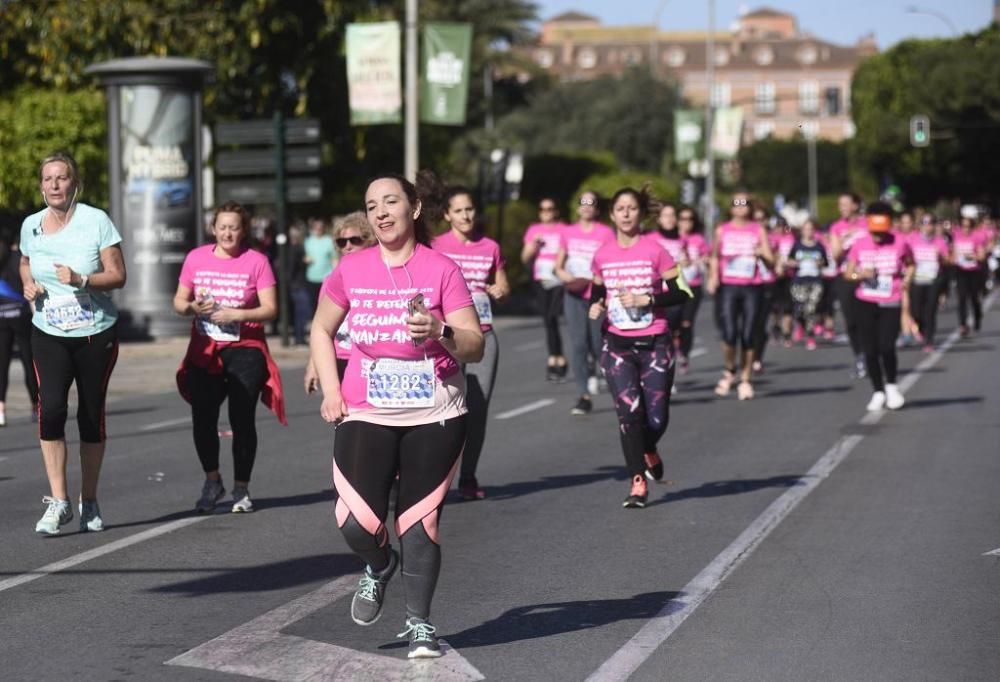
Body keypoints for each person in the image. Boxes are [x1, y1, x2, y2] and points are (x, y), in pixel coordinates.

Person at [309, 172, 484, 659]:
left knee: (419, 523)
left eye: (391, 202)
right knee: (354, 521)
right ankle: (380, 565)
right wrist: (330, 390)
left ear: (414, 209)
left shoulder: (442, 269)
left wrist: (440, 328)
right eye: (372, 205)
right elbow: (321, 330)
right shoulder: (351, 269)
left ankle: (420, 623)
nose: (381, 212)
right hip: (366, 408)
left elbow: (475, 346)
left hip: (436, 411)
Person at [19, 151, 126, 534]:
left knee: (90, 414)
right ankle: (60, 501)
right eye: (48, 179)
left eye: (61, 178)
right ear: (41, 185)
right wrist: (27, 283)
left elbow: (117, 275)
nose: (54, 185)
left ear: (74, 183)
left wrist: (82, 279)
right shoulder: (31, 225)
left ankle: (90, 499)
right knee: (50, 410)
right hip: (48, 331)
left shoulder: (96, 221)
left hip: (95, 333)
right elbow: (26, 263)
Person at [173, 201, 286, 514]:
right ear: (213, 229)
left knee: (242, 419)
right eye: (222, 226)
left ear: (243, 230)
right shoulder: (196, 258)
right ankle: (213, 480)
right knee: (203, 419)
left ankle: (241, 488)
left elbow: (270, 309)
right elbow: (179, 303)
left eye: (233, 227)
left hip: (245, 350)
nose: (227, 232)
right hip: (205, 349)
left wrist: (236, 313)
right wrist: (193, 307)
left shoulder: (257, 262)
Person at [587, 186, 691, 507]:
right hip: (617, 343)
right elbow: (597, 291)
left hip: (655, 341)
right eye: (620, 209)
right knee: (629, 414)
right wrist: (596, 306)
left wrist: (648, 299)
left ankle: (648, 448)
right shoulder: (602, 254)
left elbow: (683, 291)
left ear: (641, 213)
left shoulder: (655, 250)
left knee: (656, 418)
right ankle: (637, 482)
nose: (626, 213)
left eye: (632, 208)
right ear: (612, 214)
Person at [432, 187, 509, 501]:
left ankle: (468, 476)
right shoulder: (436, 246)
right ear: (447, 215)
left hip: (483, 336)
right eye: (459, 210)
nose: (466, 216)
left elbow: (502, 281)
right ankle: (432, 478)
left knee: (476, 409)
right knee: (439, 409)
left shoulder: (489, 247)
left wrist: (500, 289)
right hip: (445, 338)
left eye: (470, 210)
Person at [844, 202, 914, 412]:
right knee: (870, 350)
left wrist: (907, 280)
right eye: (874, 233)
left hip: (890, 300)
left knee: (886, 346)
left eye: (881, 233)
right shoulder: (860, 244)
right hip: (865, 301)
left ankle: (891, 385)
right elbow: (848, 273)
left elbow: (910, 264)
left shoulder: (900, 242)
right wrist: (860, 274)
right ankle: (878, 391)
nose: (877, 237)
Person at [706, 192, 774, 401]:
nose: (740, 207)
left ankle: (745, 379)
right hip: (729, 286)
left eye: (744, 204)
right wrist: (712, 277)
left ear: (750, 208)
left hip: (752, 287)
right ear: (731, 208)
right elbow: (715, 256)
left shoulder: (758, 229)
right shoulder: (722, 230)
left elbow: (770, 260)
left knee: (748, 332)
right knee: (728, 332)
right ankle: (730, 368)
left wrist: (761, 253)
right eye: (736, 204)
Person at [554, 191, 614, 414]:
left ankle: (619, 388)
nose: (587, 207)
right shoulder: (567, 232)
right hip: (574, 295)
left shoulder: (606, 233)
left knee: (598, 345)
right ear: (578, 207)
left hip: (597, 295)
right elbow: (558, 264)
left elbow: (611, 261)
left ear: (597, 209)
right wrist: (564, 276)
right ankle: (583, 395)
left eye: (592, 203)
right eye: (583, 203)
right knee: (578, 345)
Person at [305, 212, 378, 393]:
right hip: (338, 358)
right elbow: (320, 326)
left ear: (369, 240)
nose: (348, 246)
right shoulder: (330, 280)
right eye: (341, 242)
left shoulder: (381, 277)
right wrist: (313, 365)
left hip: (370, 359)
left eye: (355, 240)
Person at [521, 198, 567, 381]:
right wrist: (533, 246)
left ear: (556, 211)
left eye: (550, 208)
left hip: (559, 280)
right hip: (541, 279)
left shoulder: (564, 230)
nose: (546, 212)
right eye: (542, 209)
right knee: (548, 320)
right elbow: (524, 258)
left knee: (553, 317)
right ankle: (555, 357)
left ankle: (557, 357)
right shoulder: (534, 230)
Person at [0, 234, 38, 427]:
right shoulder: (18, 259)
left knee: (2, 364)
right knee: (28, 361)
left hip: (1, 318)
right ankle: (34, 407)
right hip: (22, 316)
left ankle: (1, 410)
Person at [830, 193, 869, 378]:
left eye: (845, 204)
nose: (842, 207)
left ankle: (871, 354)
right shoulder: (837, 227)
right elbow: (835, 255)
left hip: (866, 276)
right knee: (851, 320)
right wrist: (846, 240)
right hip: (845, 277)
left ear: (856, 205)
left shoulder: (867, 224)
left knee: (868, 318)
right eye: (840, 204)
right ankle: (860, 356)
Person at [782, 218, 828, 351]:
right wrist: (792, 263)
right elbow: (789, 260)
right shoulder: (796, 245)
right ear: (802, 231)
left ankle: (810, 336)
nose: (809, 232)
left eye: (811, 229)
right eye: (806, 229)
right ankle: (801, 324)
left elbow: (826, 263)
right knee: (800, 308)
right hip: (799, 281)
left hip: (815, 281)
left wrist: (821, 263)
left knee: (811, 308)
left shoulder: (819, 246)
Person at [649, 203, 686, 360]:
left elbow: (687, 262)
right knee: (657, 333)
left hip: (676, 290)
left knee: (674, 329)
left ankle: (668, 362)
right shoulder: (650, 239)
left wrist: (686, 262)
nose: (670, 219)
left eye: (672, 215)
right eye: (666, 215)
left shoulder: (682, 239)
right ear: (658, 219)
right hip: (656, 292)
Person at [908, 214, 949, 352]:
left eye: (930, 224)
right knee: (916, 311)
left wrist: (940, 257)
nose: (927, 227)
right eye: (924, 224)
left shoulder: (939, 241)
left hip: (933, 281)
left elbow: (947, 260)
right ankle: (920, 328)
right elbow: (904, 257)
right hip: (916, 280)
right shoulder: (912, 239)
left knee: (930, 310)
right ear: (920, 226)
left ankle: (929, 340)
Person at [677, 206, 709, 372]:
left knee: (687, 322)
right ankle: (673, 350)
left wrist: (700, 261)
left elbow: (708, 257)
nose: (686, 222)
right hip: (674, 286)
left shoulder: (698, 239)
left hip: (693, 285)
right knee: (673, 324)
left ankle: (684, 353)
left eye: (689, 219)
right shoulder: (673, 238)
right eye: (682, 218)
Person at [951, 216, 986, 337]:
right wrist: (954, 258)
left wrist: (972, 256)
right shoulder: (957, 236)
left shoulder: (976, 237)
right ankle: (963, 324)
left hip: (974, 272)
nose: (966, 229)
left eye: (968, 226)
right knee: (961, 298)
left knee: (974, 298)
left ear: (972, 227)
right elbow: (954, 253)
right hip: (961, 271)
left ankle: (977, 317)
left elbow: (982, 256)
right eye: (963, 226)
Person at [304, 217, 336, 313]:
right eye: (316, 228)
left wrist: (335, 275)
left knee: (325, 304)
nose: (318, 230)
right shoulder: (308, 241)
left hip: (326, 278)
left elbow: (334, 258)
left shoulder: (329, 241)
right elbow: (304, 256)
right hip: (312, 278)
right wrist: (306, 259)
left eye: (320, 227)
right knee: (313, 304)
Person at [288, 222, 311, 345]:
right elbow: (292, 267)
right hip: (297, 284)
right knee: (302, 311)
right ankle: (299, 337)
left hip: (297, 284)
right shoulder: (295, 248)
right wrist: (305, 262)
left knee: (301, 311)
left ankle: (299, 336)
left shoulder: (294, 248)